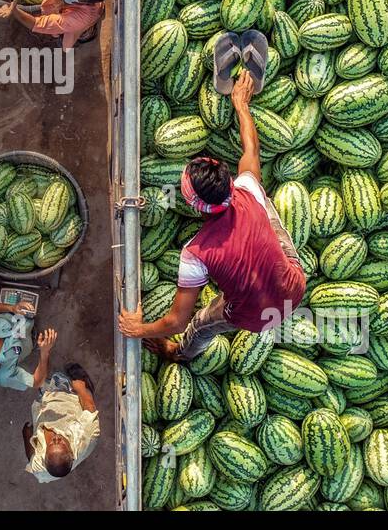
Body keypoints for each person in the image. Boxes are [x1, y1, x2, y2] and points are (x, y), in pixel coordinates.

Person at [117, 69, 307, 360]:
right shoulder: (246, 188)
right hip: (295, 285)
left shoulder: (196, 254)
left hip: (254, 316)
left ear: (194, 206)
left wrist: (137, 329)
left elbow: (176, 321)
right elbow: (251, 148)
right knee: (263, 206)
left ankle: (180, 354)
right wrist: (241, 104)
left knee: (202, 325)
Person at [22, 361, 100, 483]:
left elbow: (30, 455)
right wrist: (81, 389)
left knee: (46, 393)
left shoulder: (38, 467)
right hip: (70, 407)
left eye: (52, 443)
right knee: (78, 388)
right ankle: (81, 385)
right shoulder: (86, 435)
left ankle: (49, 394)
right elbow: (90, 407)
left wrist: (27, 435)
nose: (57, 439)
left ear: (44, 456)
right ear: (71, 452)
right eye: (61, 443)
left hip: (45, 412)